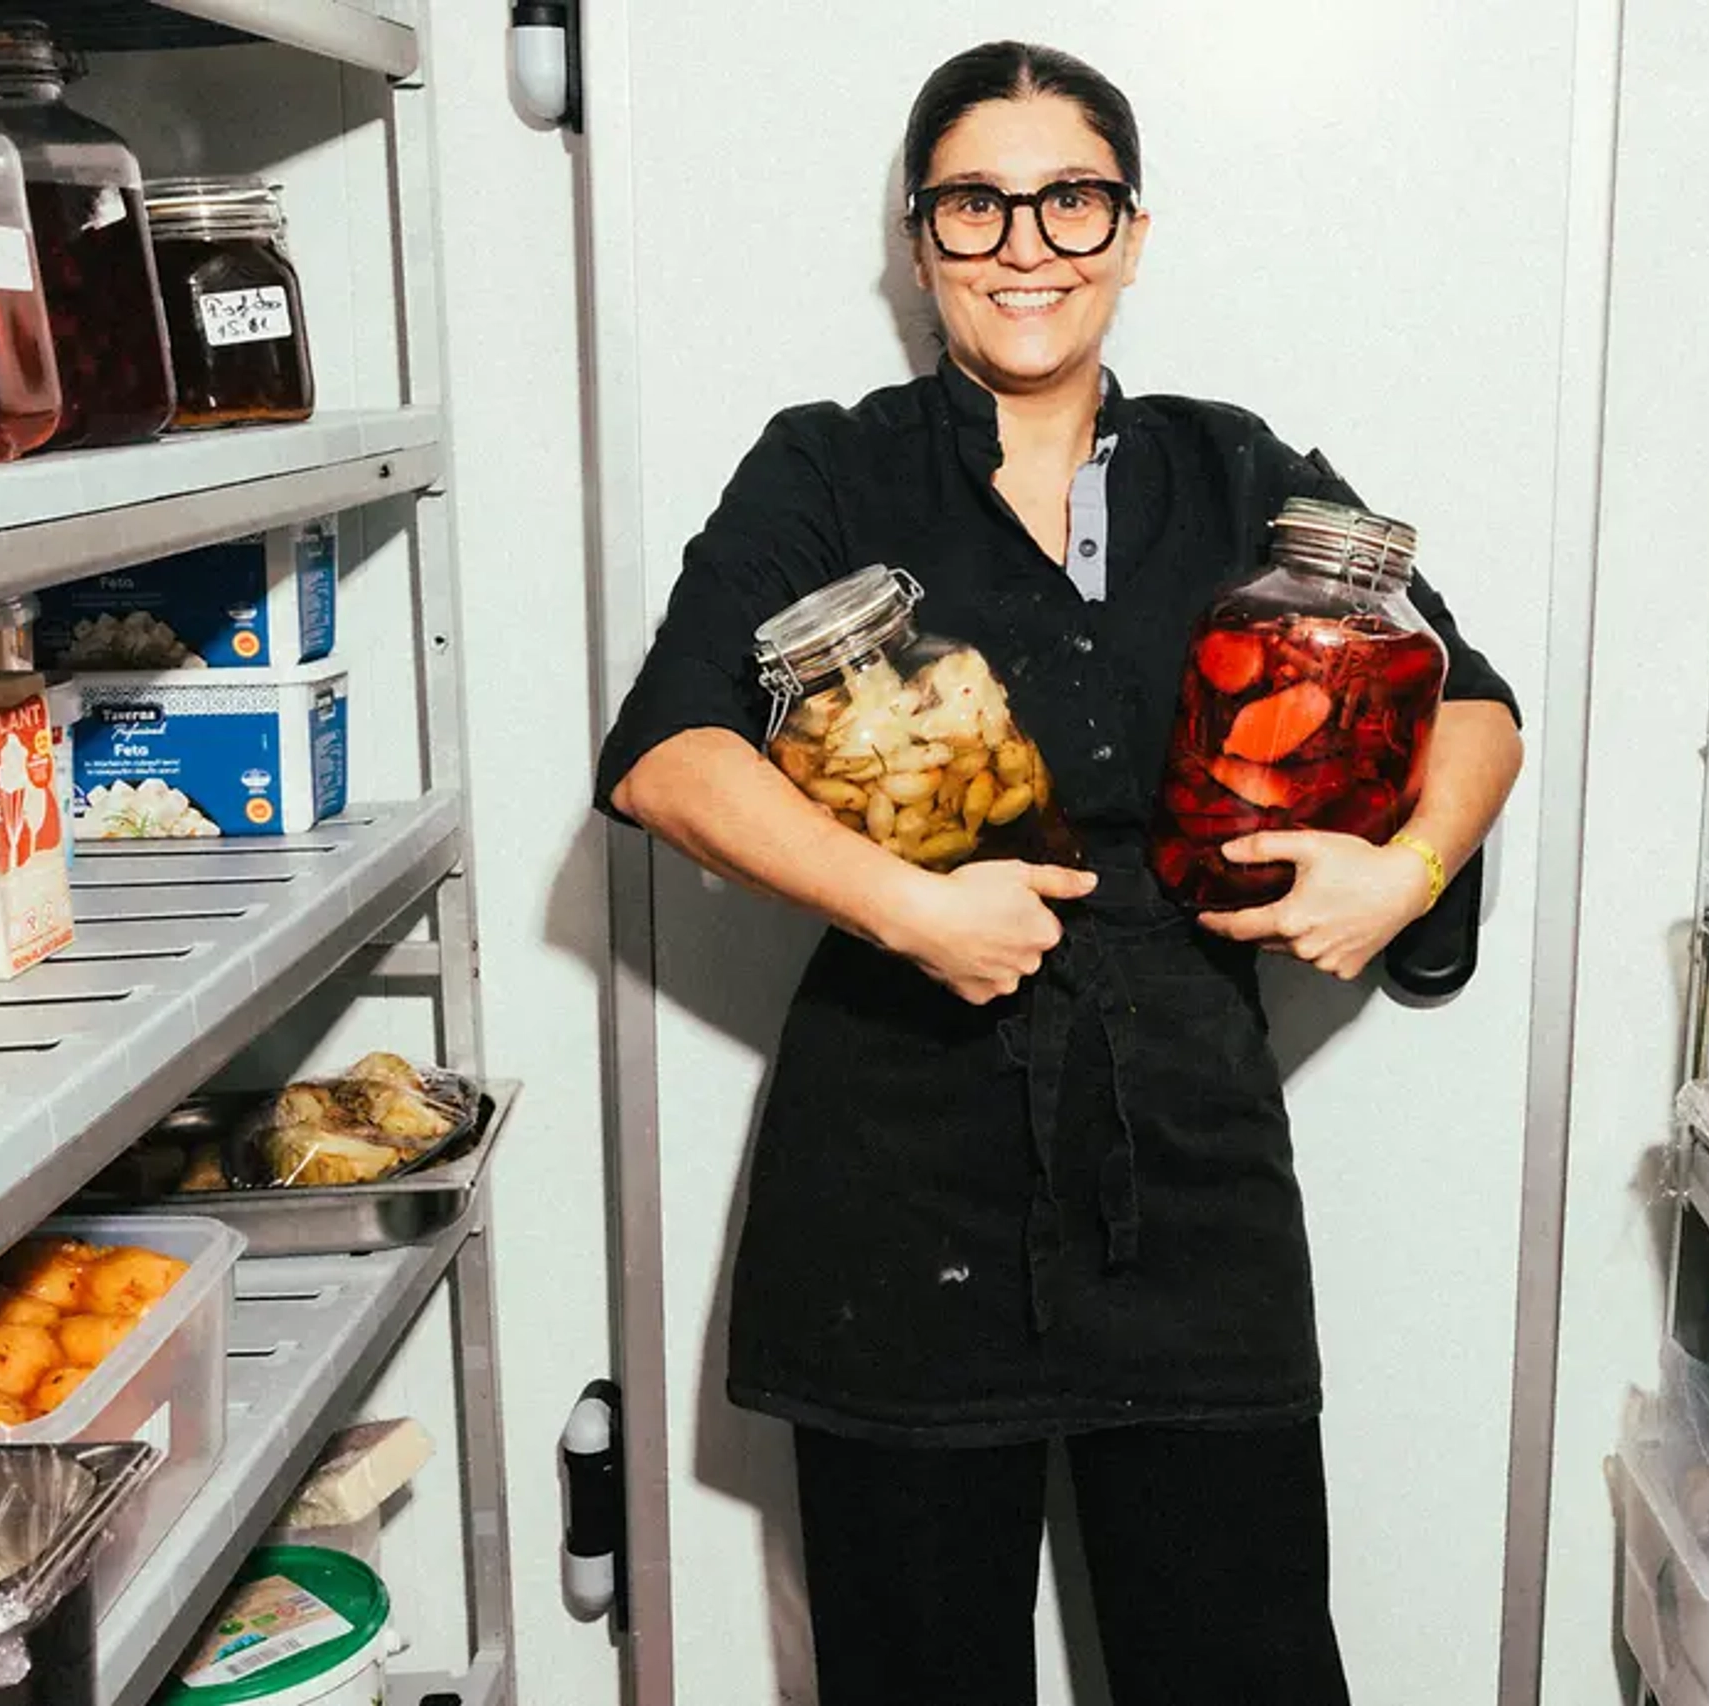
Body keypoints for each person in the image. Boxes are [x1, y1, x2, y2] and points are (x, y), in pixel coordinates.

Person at [596, 39, 1524, 1705]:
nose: (1028, 243)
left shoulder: (1233, 468)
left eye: (1071, 197)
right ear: (921, 238)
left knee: (1241, 1667)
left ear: (1133, 230)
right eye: (976, 203)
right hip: (898, 1168)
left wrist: (1404, 871)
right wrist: (905, 905)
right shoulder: (830, 468)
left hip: (1188, 1150)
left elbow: (1472, 699)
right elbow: (671, 752)